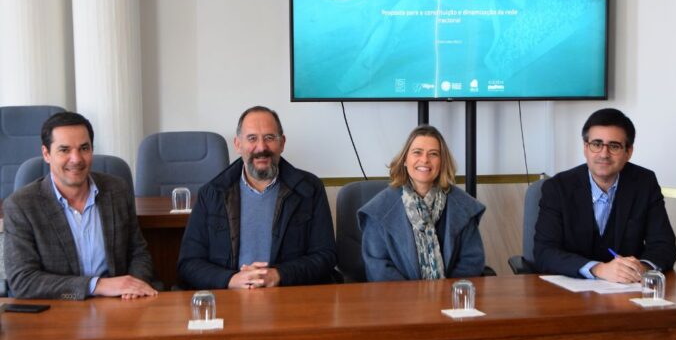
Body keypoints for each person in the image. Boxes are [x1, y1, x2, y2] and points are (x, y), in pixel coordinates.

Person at [177, 106, 336, 289]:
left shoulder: (309, 189)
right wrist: (231, 280)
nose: (261, 147)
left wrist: (279, 275)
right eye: (252, 138)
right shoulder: (212, 193)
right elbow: (189, 263)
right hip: (231, 298)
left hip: (289, 296)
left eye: (269, 138)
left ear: (282, 143)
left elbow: (326, 256)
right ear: (238, 145)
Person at [3, 112, 157, 300]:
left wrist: (133, 287)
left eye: (84, 148)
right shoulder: (21, 206)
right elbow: (23, 281)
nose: (76, 159)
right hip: (59, 308)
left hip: (119, 304)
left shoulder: (117, 190)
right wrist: (97, 286)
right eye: (64, 150)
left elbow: (138, 253)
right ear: (46, 154)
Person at [534, 108, 676, 283]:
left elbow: (664, 246)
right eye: (596, 144)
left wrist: (642, 267)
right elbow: (544, 252)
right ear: (585, 148)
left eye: (614, 146)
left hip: (627, 289)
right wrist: (598, 269)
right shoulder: (558, 187)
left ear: (628, 152)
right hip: (569, 290)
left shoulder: (644, 183)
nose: (604, 154)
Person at [358, 125, 486, 281]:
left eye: (433, 154)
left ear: (442, 162)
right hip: (397, 296)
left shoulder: (463, 206)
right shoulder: (378, 210)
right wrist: (416, 295)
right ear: (405, 160)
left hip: (451, 294)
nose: (425, 160)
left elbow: (472, 261)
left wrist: (445, 292)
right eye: (417, 152)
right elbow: (378, 268)